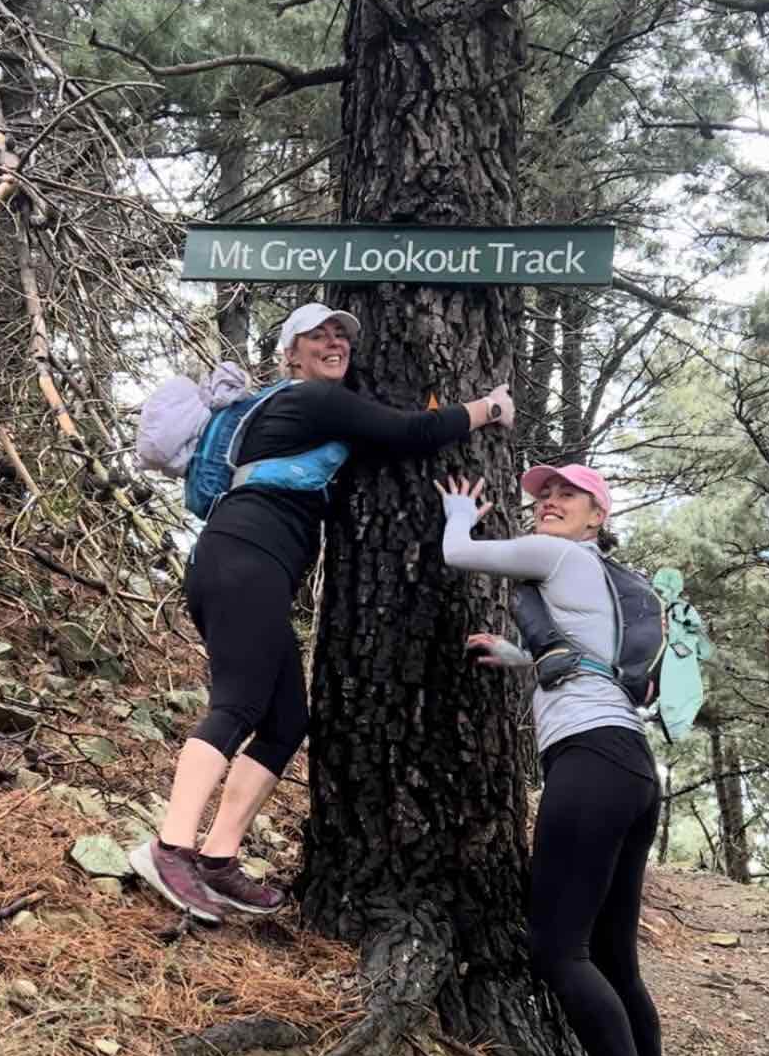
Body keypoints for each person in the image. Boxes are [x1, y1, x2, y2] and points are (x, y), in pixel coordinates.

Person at [131, 302, 514, 921]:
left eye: (341, 334)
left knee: (285, 722)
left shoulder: (305, 417)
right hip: (242, 563)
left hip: (247, 571)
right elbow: (412, 432)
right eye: (318, 335)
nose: (333, 342)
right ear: (291, 351)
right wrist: (490, 408)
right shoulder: (310, 400)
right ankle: (171, 845)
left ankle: (218, 859)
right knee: (237, 706)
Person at [438, 462, 700, 1056]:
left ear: (595, 516)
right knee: (614, 955)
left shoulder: (557, 555)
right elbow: (596, 662)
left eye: (566, 495)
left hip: (587, 763)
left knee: (559, 950)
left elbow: (458, 552)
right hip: (630, 769)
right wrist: (517, 653)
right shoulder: (616, 583)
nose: (547, 502)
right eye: (541, 494)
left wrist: (460, 511)